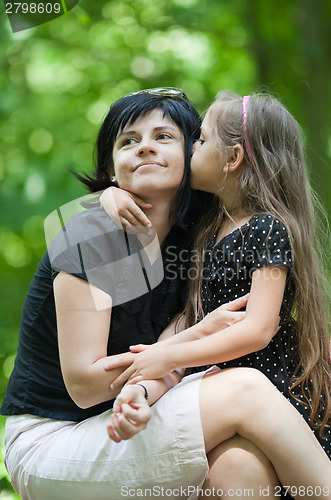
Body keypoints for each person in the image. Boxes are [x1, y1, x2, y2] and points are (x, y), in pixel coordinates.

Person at [0, 89, 330, 500]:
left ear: (194, 152)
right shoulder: (92, 234)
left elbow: (183, 350)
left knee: (240, 466)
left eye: (163, 137)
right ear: (111, 165)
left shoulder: (199, 236)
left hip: (143, 408)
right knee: (246, 388)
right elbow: (85, 387)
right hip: (56, 439)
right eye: (128, 141)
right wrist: (107, 194)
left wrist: (158, 371)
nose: (145, 149)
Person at [103, 91, 331, 463]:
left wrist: (164, 357)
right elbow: (188, 321)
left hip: (276, 399)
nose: (191, 147)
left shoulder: (267, 228)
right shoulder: (208, 228)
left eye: (201, 139)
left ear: (233, 158)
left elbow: (257, 330)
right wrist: (110, 196)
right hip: (221, 401)